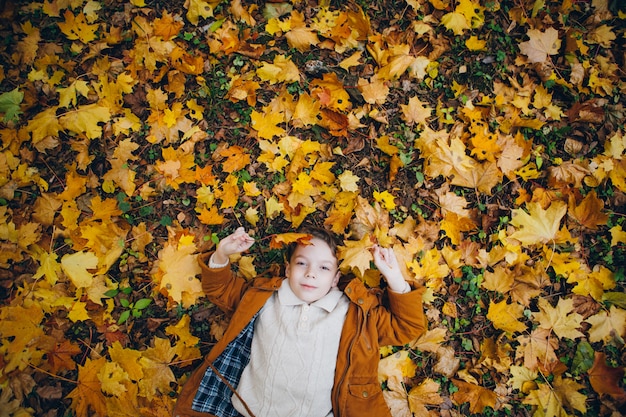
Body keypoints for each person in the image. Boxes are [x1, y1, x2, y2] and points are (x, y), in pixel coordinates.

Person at [173, 226, 427, 417]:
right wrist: (221, 253)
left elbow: (408, 327)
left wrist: (394, 278)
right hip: (248, 410)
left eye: (324, 268)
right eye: (302, 263)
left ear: (336, 279)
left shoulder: (355, 314)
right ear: (287, 270)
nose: (310, 273)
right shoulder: (263, 298)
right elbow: (221, 290)